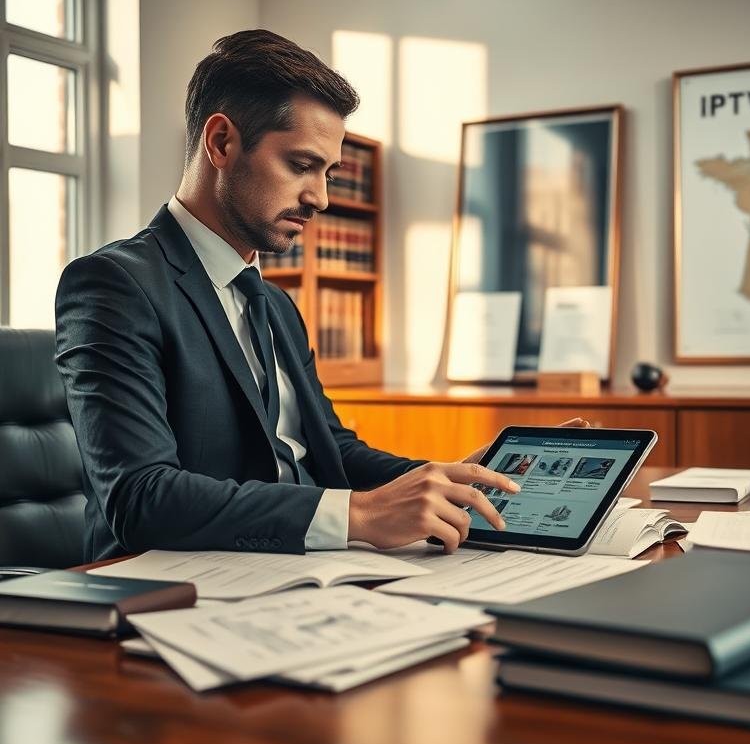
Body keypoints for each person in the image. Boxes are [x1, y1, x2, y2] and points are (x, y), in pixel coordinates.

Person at [55, 29, 585, 562]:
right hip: (175, 587)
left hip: (305, 571)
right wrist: (358, 516)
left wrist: (442, 480)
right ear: (220, 143)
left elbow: (331, 450)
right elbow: (139, 498)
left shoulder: (276, 306)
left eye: (328, 173)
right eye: (302, 166)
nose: (321, 198)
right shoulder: (113, 286)